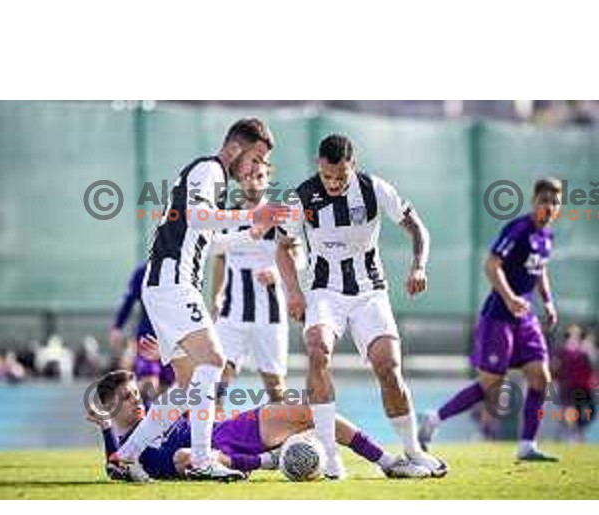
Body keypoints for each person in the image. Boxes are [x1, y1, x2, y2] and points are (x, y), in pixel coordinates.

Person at [110, 118, 284, 482]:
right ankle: (203, 460)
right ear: (237, 149)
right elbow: (199, 217)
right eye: (255, 159)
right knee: (215, 359)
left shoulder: (210, 176)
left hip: (166, 285)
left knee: (189, 389)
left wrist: (250, 233)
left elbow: (207, 239)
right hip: (174, 284)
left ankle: (124, 456)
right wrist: (253, 214)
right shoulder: (210, 171)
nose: (256, 170)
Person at [277, 134, 447, 479]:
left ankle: (414, 450)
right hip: (324, 292)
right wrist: (294, 292)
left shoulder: (375, 189)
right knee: (317, 350)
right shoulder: (302, 196)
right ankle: (330, 455)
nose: (334, 184)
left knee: (389, 367)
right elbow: (283, 246)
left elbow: (418, 229)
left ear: (353, 165)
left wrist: (418, 266)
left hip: (370, 292)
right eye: (327, 176)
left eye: (341, 176)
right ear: (318, 167)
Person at [419, 178, 562, 461]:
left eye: (555, 202)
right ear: (534, 201)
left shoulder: (547, 237)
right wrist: (509, 297)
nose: (549, 206)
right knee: (491, 384)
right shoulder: (519, 229)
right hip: (499, 315)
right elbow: (491, 264)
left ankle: (526, 446)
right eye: (545, 200)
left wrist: (547, 301)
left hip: (526, 317)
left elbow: (539, 270)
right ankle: (433, 419)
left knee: (540, 377)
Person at [87, 368, 431, 480]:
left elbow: (189, 390)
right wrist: (105, 429)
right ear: (108, 406)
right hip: (208, 460)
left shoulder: (156, 414)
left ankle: (387, 462)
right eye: (127, 397)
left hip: (232, 432)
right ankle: (271, 460)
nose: (136, 400)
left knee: (310, 411)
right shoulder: (126, 449)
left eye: (135, 393)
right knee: (186, 456)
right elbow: (112, 465)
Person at [211, 159, 295, 406]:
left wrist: (278, 273)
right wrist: (215, 297)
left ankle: (281, 444)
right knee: (217, 382)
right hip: (232, 313)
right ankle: (212, 441)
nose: (253, 182)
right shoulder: (227, 216)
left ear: (268, 176)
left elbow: (297, 256)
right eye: (247, 176)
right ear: (239, 179)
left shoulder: (280, 214)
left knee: (276, 389)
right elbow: (219, 259)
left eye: (259, 176)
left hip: (270, 314)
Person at [110, 262, 175, 398]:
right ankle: (121, 398)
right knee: (149, 383)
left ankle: (157, 417)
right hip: (148, 337)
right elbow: (129, 300)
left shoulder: (181, 271)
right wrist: (117, 327)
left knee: (169, 388)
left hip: (172, 340)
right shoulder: (143, 272)